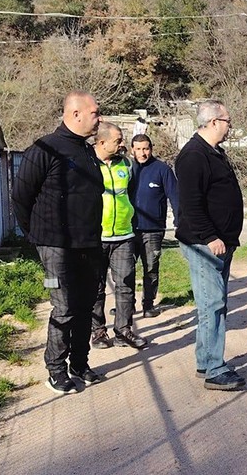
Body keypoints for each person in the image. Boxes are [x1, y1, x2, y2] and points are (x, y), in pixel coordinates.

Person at [12, 91, 104, 394]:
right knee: (63, 307)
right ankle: (56, 368)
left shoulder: (88, 151)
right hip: (55, 245)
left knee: (85, 305)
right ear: (75, 114)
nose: (99, 118)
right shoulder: (44, 149)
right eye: (95, 113)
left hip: (88, 244)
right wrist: (37, 237)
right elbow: (21, 196)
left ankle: (80, 363)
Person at [175, 100, 246, 391]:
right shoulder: (193, 155)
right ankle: (215, 368)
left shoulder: (213, 152)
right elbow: (191, 204)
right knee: (212, 305)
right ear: (215, 122)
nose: (230, 127)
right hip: (204, 244)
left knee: (214, 305)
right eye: (228, 121)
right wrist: (211, 237)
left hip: (220, 242)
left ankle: (206, 361)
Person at [90, 122, 148, 350]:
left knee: (125, 285)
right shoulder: (88, 164)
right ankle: (98, 332)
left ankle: (124, 330)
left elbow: (131, 194)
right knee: (96, 287)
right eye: (118, 140)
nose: (123, 144)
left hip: (124, 235)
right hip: (96, 236)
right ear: (102, 142)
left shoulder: (126, 163)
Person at [129, 134, 179, 319]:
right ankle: (127, 306)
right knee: (126, 270)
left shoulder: (162, 169)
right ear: (132, 149)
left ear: (151, 148)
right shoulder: (126, 169)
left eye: (146, 149)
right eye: (139, 149)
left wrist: (178, 221)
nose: (142, 153)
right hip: (127, 230)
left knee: (151, 268)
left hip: (153, 229)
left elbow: (175, 197)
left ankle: (148, 305)